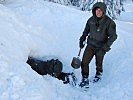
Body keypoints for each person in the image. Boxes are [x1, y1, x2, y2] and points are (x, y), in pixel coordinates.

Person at [79, 2, 117, 88]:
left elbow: (113, 36)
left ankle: (98, 74)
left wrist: (105, 48)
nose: (98, 12)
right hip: (91, 45)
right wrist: (82, 39)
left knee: (98, 63)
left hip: (101, 46)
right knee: (84, 62)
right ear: (94, 11)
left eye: (100, 10)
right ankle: (85, 78)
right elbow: (86, 31)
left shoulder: (109, 22)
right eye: (97, 10)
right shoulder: (90, 20)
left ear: (103, 11)